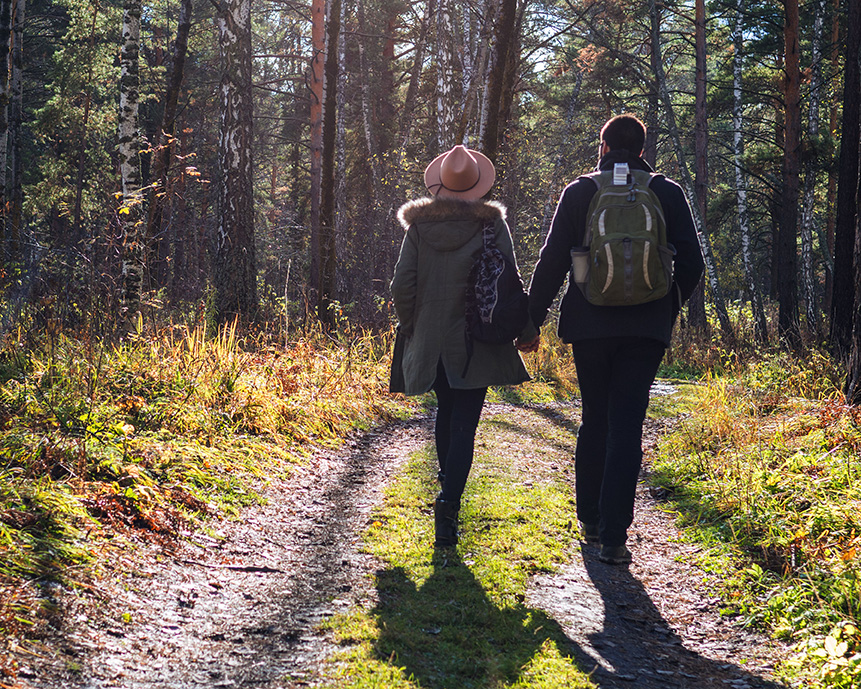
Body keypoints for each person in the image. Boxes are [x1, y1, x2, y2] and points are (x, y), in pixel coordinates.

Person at [518, 114, 705, 565]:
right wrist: (665, 308)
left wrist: (531, 321)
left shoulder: (581, 191)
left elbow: (552, 261)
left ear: (603, 146)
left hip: (590, 324)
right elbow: (693, 263)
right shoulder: (666, 191)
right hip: (645, 330)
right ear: (642, 148)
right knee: (627, 425)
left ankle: (590, 520)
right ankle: (616, 538)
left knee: (595, 419)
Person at [390, 144, 536, 548]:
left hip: (431, 340)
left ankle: (446, 483)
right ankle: (449, 501)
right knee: (465, 424)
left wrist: (412, 327)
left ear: (440, 185)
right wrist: (525, 328)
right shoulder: (491, 226)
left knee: (445, 412)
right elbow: (511, 281)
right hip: (478, 341)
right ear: (476, 186)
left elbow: (402, 285)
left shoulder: (418, 228)